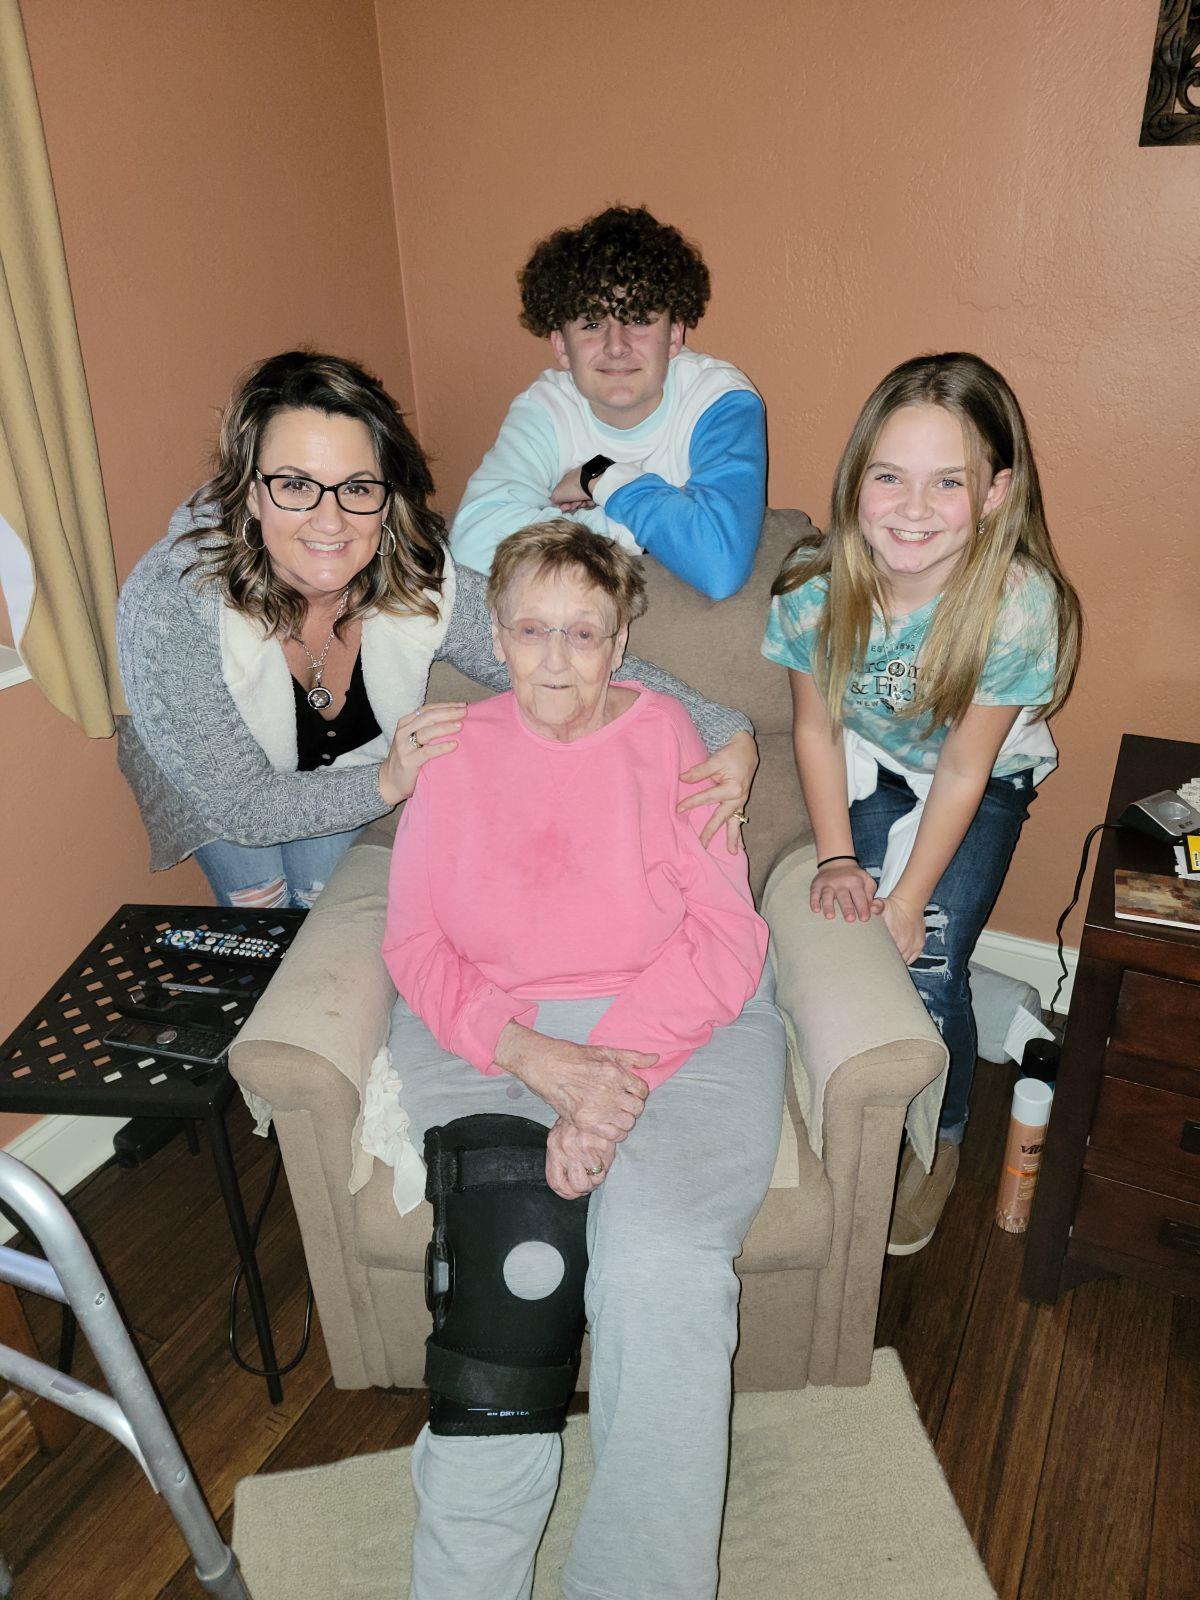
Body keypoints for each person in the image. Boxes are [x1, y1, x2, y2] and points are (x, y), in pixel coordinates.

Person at [381, 521, 787, 1600]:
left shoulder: (675, 741)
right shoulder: (451, 752)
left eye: (583, 632)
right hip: (493, 1028)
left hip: (685, 1014)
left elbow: (725, 938)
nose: (556, 658)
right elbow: (414, 943)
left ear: (620, 643)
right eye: (531, 630)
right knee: (516, 1275)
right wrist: (536, 1059)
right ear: (495, 637)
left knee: (660, 1266)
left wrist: (600, 1080)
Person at [116, 351, 761, 908]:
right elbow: (242, 807)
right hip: (220, 778)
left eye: (357, 487)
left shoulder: (417, 577)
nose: (330, 520)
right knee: (257, 902)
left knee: (321, 902)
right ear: (251, 492)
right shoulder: (175, 606)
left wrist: (728, 731)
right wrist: (388, 783)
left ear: (387, 496)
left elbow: (560, 652)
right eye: (295, 485)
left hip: (343, 766)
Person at [762, 352, 1081, 1255]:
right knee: (853, 939)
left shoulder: (1020, 607)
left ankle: (937, 1140)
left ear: (995, 493)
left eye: (948, 481)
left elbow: (966, 770)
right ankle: (950, 1017)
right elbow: (817, 730)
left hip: (982, 777)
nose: (912, 507)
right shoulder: (812, 586)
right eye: (889, 476)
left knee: (929, 952)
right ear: (856, 480)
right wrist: (838, 858)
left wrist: (908, 899)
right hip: (873, 761)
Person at [449, 205, 766, 600]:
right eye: (593, 324)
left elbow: (719, 565)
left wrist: (600, 476)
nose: (617, 346)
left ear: (674, 335)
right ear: (561, 346)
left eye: (639, 319)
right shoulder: (546, 408)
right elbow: (472, 545)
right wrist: (636, 530)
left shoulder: (720, 401)